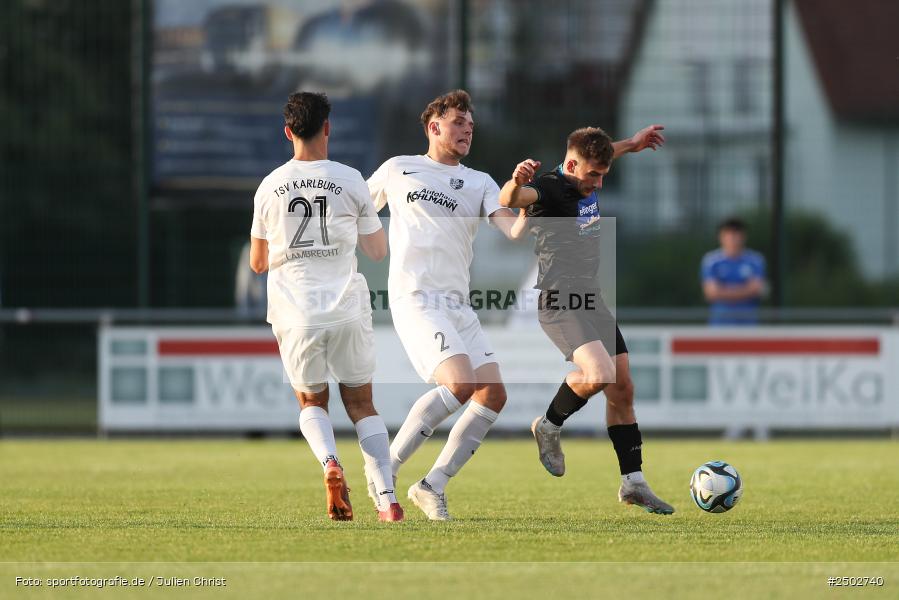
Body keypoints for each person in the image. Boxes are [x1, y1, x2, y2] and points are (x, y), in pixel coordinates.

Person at [366, 89, 528, 520]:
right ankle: (384, 470)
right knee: (459, 384)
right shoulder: (398, 169)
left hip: (458, 304)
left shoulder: (479, 182)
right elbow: (357, 207)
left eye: (470, 125)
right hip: (416, 296)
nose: (467, 130)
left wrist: (531, 205)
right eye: (458, 122)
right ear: (433, 126)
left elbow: (513, 231)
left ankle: (431, 484)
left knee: (493, 394)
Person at [499, 125, 675, 515]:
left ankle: (633, 482)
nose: (597, 184)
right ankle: (548, 425)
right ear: (572, 165)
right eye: (593, 175)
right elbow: (510, 198)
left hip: (591, 300)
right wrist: (515, 182)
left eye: (603, 175)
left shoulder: (586, 170)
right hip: (559, 301)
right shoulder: (548, 188)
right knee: (600, 374)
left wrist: (632, 144)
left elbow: (603, 152)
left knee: (623, 389)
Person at [250, 92, 403, 522]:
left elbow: (258, 263)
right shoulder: (351, 180)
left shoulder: (269, 186)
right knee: (362, 404)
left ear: (288, 132)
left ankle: (331, 463)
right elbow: (377, 251)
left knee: (312, 402)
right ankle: (387, 500)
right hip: (346, 308)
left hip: (296, 312)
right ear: (327, 128)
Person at [701, 217, 767, 325]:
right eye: (729, 234)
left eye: (737, 234)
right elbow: (711, 293)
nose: (733, 238)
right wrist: (744, 290)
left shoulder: (755, 260)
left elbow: (756, 289)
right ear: (721, 236)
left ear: (744, 236)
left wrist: (723, 290)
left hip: (748, 324)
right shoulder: (711, 261)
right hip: (720, 324)